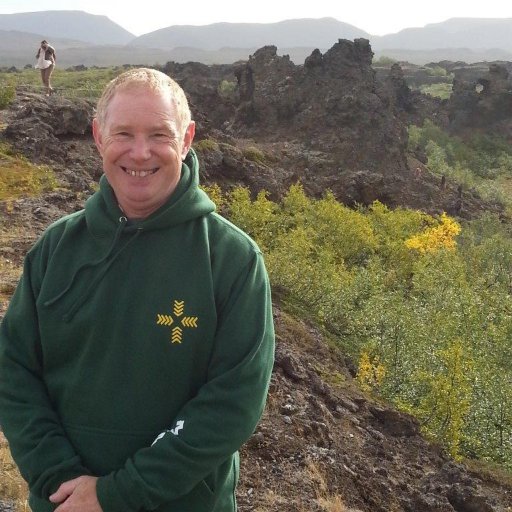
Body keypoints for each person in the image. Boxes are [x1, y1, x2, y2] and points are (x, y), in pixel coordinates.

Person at [0, 68, 275, 512]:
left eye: (159, 135)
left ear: (186, 140)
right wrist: (61, 479)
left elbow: (232, 405)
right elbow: (12, 370)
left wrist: (115, 495)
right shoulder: (55, 248)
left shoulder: (232, 260)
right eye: (123, 133)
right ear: (98, 137)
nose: (140, 152)